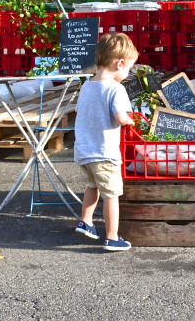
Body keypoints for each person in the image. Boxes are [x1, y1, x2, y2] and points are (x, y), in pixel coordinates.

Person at [73, 32, 138, 252]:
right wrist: (129, 120)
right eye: (128, 68)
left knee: (93, 185)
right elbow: (120, 118)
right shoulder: (115, 88)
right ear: (119, 63)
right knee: (112, 194)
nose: (127, 73)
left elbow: (80, 112)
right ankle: (111, 236)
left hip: (83, 150)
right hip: (104, 152)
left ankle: (86, 221)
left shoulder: (87, 85)